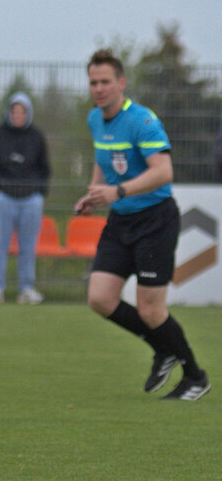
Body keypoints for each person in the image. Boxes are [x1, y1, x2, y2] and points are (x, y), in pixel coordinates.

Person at [73, 49, 209, 401]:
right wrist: (93, 193)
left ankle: (195, 376)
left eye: (105, 81)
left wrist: (116, 191)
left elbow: (163, 172)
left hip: (155, 220)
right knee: (100, 299)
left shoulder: (142, 121)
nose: (99, 88)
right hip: (121, 221)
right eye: (93, 82)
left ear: (121, 82)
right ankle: (162, 348)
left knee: (151, 309)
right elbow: (102, 159)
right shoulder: (95, 120)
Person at [0, 92, 51, 305]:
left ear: (28, 113)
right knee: (0, 244)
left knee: (28, 246)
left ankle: (26, 289)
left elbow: (45, 168)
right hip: (4, 197)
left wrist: (39, 190)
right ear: (9, 112)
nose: (18, 115)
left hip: (31, 199)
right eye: (15, 111)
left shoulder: (37, 136)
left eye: (22, 111)